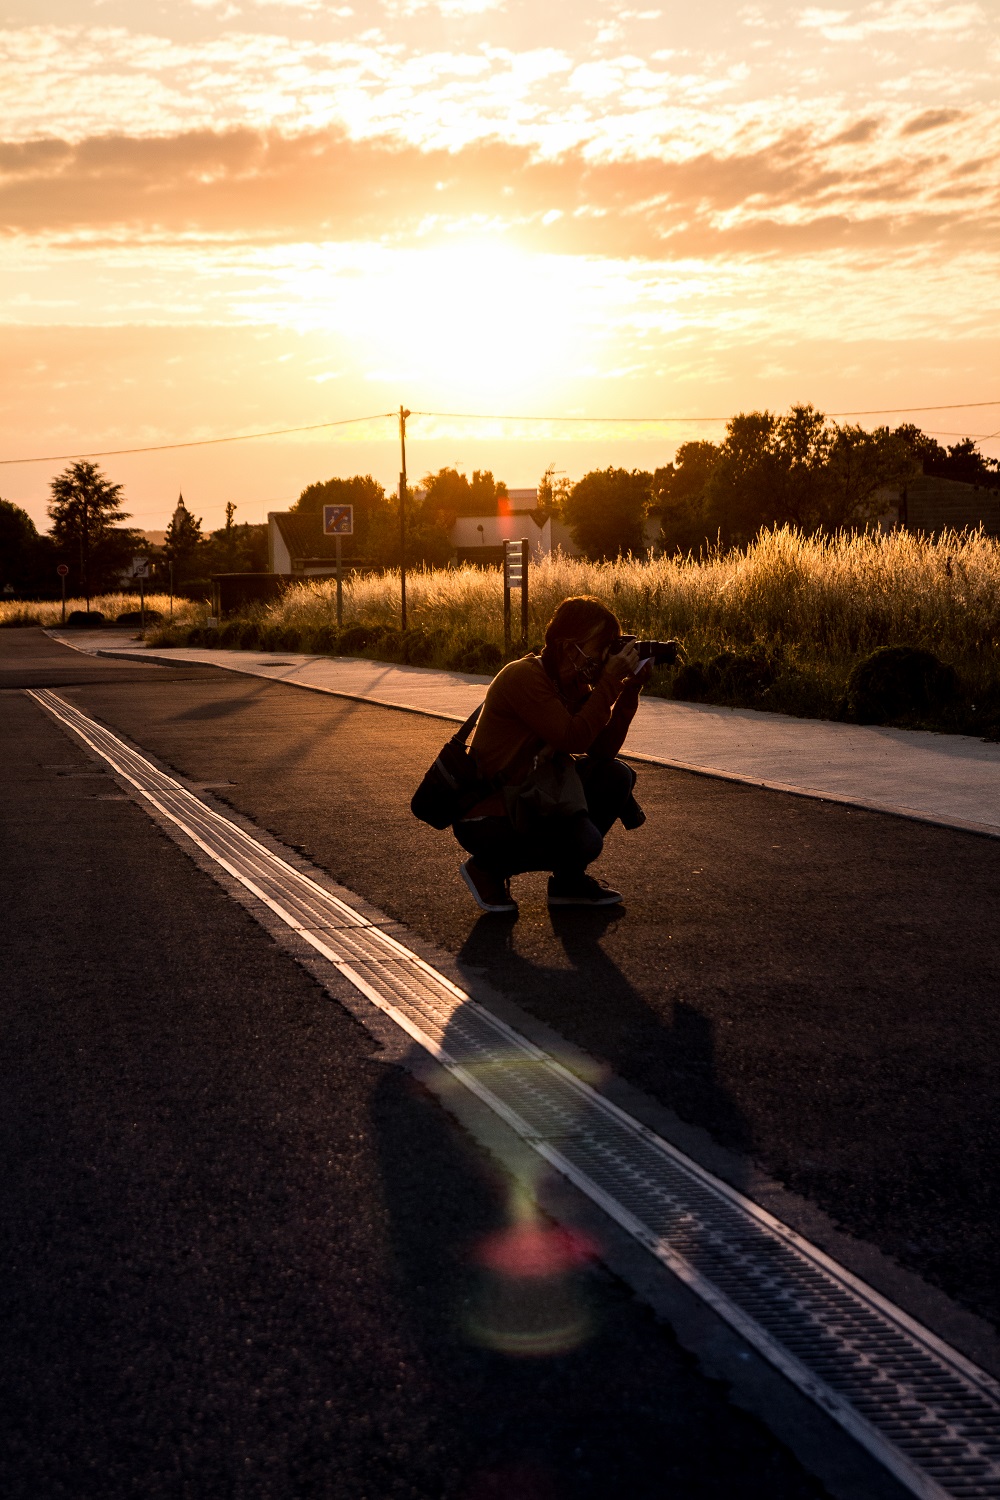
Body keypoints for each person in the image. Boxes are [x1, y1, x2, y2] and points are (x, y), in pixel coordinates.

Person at [455, 595, 655, 914]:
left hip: (533, 797)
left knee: (615, 776)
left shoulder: (572, 685)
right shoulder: (523, 677)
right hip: (489, 814)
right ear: (567, 647)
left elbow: (601, 750)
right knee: (586, 841)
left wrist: (629, 691)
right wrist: (608, 683)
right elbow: (572, 737)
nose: (605, 656)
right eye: (601, 645)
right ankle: (486, 868)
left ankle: (568, 882)